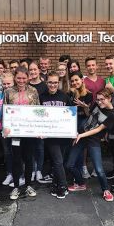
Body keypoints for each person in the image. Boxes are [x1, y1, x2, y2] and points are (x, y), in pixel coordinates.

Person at [67, 88, 114, 202]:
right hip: (82, 135)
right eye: (98, 100)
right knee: (69, 165)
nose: (99, 102)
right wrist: (85, 107)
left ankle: (106, 190)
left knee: (99, 169)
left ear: (109, 98)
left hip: (93, 140)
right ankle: (80, 183)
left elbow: (98, 129)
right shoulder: (97, 104)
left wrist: (81, 135)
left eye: (102, 100)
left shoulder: (113, 115)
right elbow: (90, 115)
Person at [3, 66, 39, 200]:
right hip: (15, 133)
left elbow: (38, 110)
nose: (21, 80)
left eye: (24, 78)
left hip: (29, 132)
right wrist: (5, 128)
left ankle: (28, 185)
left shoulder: (34, 91)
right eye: (19, 78)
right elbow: (4, 110)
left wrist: (37, 129)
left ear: (28, 78)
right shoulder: (8, 92)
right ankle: (16, 186)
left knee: (29, 158)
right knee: (16, 159)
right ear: (14, 77)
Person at [40, 71, 71, 199]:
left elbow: (71, 115)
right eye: (50, 82)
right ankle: (63, 187)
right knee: (58, 161)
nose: (52, 85)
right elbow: (37, 116)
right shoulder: (41, 97)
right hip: (50, 136)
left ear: (58, 83)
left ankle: (55, 183)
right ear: (46, 82)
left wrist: (72, 131)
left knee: (59, 162)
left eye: (55, 82)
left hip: (63, 135)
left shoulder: (64, 96)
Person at [67, 71, 94, 185]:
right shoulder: (70, 94)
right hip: (71, 123)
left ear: (82, 80)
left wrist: (85, 107)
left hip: (82, 124)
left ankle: (78, 177)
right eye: (72, 81)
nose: (74, 82)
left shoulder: (88, 94)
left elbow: (89, 115)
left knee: (78, 150)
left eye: (76, 80)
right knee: (72, 149)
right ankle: (74, 175)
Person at [28, 60, 48, 182]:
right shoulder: (26, 85)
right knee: (30, 147)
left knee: (40, 146)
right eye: (31, 70)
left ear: (39, 70)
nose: (33, 72)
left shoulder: (44, 86)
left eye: (35, 69)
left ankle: (39, 170)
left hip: (41, 120)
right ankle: (31, 170)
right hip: (29, 121)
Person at [0, 73, 15, 186]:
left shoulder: (17, 95)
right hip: (1, 128)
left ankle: (18, 175)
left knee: (16, 152)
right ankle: (9, 174)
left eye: (9, 83)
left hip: (16, 129)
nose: (6, 86)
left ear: (13, 83)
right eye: (4, 84)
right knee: (7, 152)